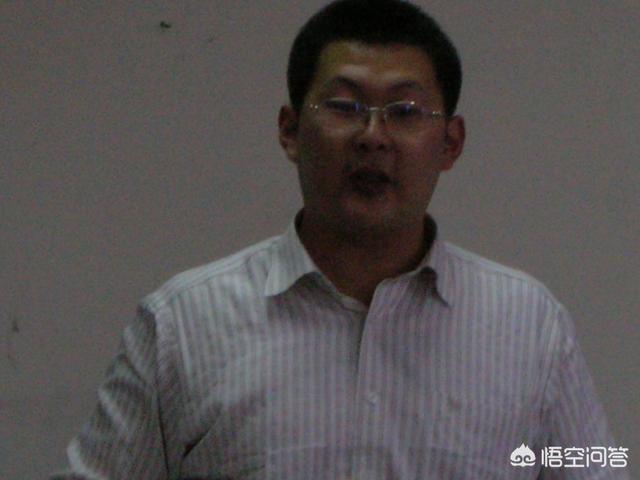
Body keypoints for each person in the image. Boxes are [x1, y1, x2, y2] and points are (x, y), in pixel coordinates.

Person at [53, 0, 627, 479]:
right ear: (290, 130)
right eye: (345, 106)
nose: (373, 137)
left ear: (450, 143)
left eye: (405, 111)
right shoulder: (182, 325)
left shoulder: (530, 325)